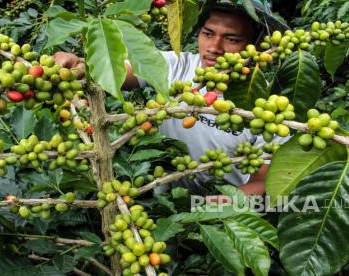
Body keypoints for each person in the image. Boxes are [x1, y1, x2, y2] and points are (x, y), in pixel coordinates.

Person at [54, 2, 288, 197]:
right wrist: (79, 66)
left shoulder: (267, 106)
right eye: (207, 34)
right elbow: (114, 74)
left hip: (218, 213)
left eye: (232, 39)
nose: (214, 47)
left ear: (255, 46)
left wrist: (225, 203)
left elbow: (264, 182)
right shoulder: (176, 65)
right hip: (155, 197)